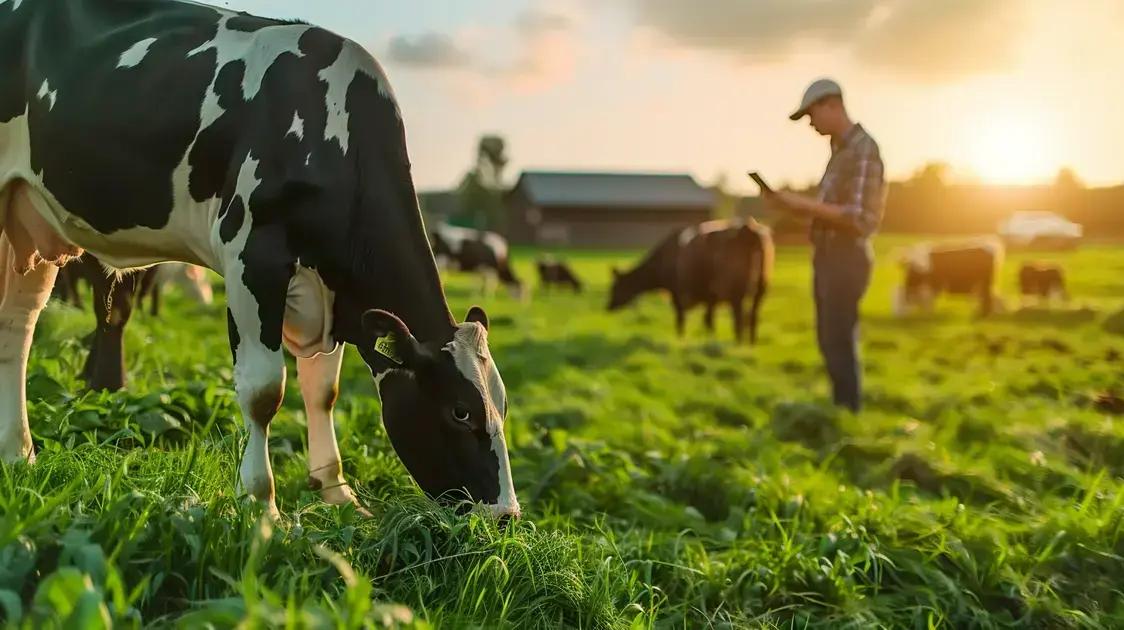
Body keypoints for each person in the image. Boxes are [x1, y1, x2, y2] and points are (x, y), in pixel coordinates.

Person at [763, 78, 885, 411]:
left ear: (832, 105)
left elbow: (858, 216)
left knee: (839, 339)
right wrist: (790, 208)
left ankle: (848, 413)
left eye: (811, 115)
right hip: (828, 255)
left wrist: (801, 203)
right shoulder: (838, 152)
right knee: (829, 338)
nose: (810, 124)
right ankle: (840, 407)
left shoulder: (863, 149)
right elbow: (830, 213)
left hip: (847, 256)